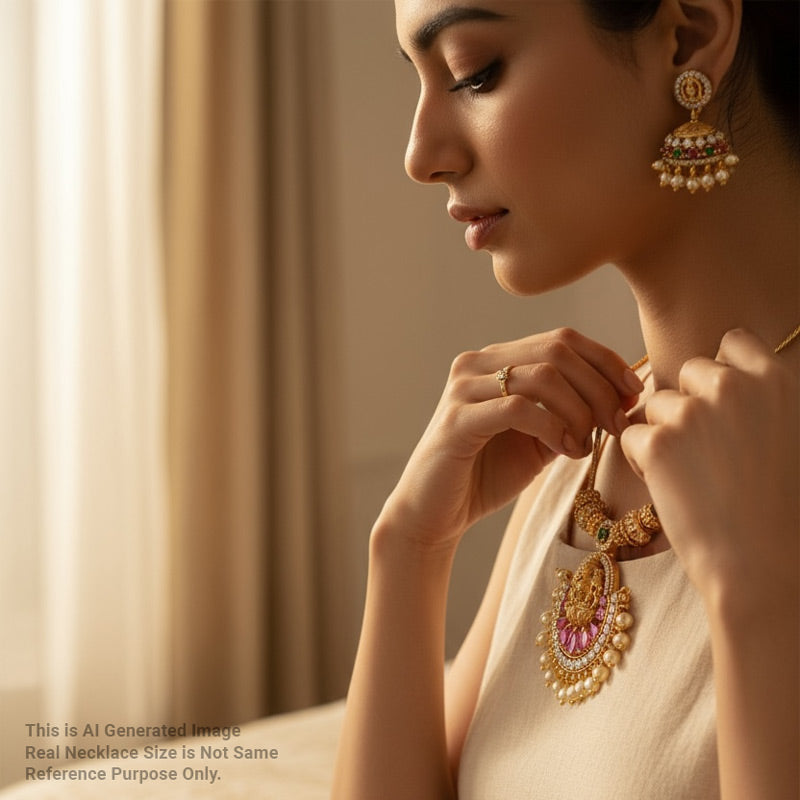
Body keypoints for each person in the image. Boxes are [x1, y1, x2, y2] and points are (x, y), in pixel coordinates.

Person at [331, 1, 799, 798]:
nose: (419, 155)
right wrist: (408, 547)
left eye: (474, 72)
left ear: (689, 37)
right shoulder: (571, 462)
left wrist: (760, 600)